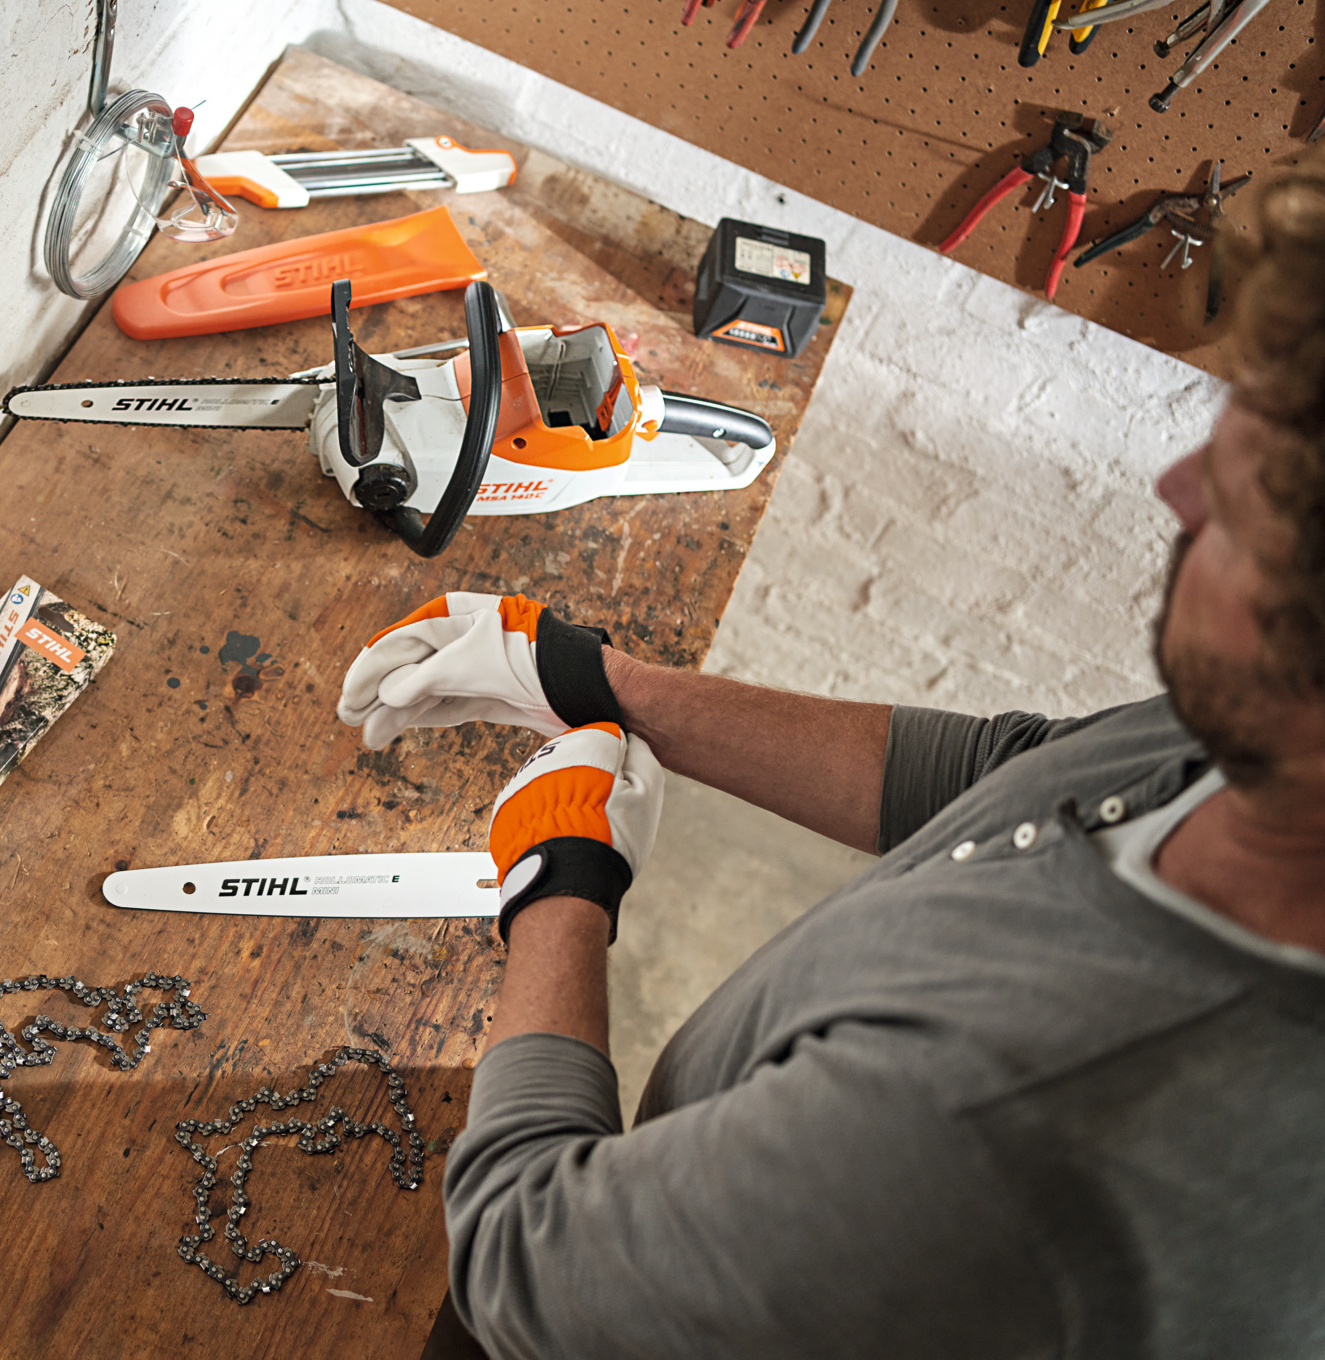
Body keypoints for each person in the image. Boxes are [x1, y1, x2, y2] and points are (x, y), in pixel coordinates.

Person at [338, 152, 1325, 1358]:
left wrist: (560, 889)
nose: (1181, 485)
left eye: (1267, 475)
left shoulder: (1024, 1120)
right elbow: (1004, 771)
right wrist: (610, 684)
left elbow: (521, 1263)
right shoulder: (1249, 752)